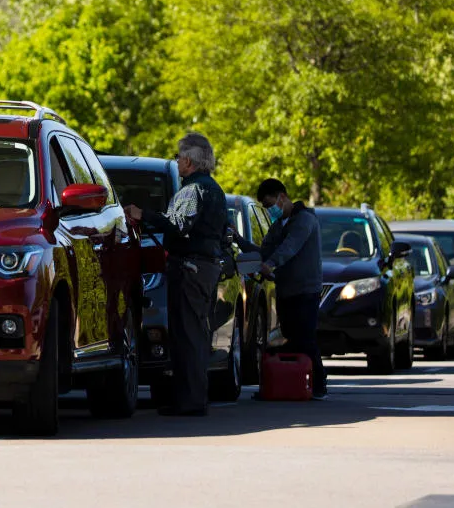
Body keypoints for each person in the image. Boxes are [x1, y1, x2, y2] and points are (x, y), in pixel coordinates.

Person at [124, 133, 228, 416]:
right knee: (194, 334)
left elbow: (178, 225)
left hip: (190, 269)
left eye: (179, 156)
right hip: (204, 268)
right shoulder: (215, 190)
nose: (177, 161)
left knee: (188, 336)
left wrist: (142, 215)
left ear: (189, 160)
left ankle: (190, 402)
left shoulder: (192, 191)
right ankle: (190, 398)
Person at [235, 178, 327, 400]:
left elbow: (290, 247)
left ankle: (319, 385)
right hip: (286, 291)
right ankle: (292, 384)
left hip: (305, 291)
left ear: (282, 197)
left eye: (270, 204)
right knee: (291, 338)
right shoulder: (278, 227)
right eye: (266, 208)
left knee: (305, 339)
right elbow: (263, 252)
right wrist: (238, 240)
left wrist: (271, 264)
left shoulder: (305, 220)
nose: (269, 210)